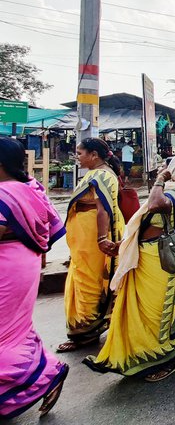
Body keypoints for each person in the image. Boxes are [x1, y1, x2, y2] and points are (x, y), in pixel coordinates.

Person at [84, 157, 175, 381]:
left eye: (167, 167)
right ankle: (139, 355)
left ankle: (171, 358)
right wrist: (123, 246)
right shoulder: (170, 192)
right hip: (146, 259)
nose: (162, 169)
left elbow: (156, 205)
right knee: (141, 313)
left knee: (160, 313)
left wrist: (160, 180)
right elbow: (144, 227)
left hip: (162, 264)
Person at [0, 138, 68, 418]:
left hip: (7, 263)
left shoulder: (6, 193)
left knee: (5, 333)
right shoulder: (32, 188)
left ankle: (45, 374)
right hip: (22, 261)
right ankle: (46, 370)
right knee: (13, 328)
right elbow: (51, 231)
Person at [58, 138, 125, 352]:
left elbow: (103, 209)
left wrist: (101, 238)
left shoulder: (102, 175)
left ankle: (86, 331)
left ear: (94, 154)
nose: (77, 157)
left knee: (89, 280)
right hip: (84, 238)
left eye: (80, 153)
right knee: (84, 278)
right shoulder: (96, 173)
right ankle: (87, 328)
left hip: (93, 237)